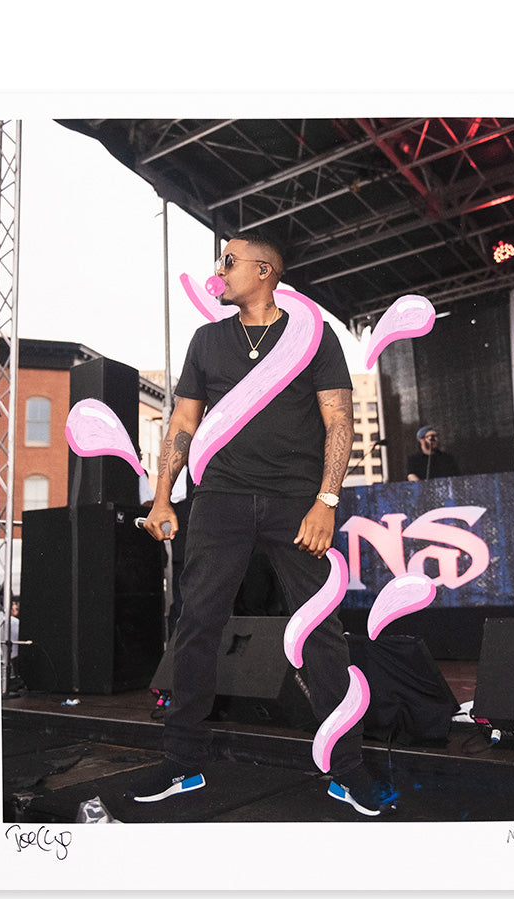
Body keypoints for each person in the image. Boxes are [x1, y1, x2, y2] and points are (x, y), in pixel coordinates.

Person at [134, 231, 384, 815]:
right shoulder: (208, 339)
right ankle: (182, 761)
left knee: (320, 629)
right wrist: (162, 498)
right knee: (197, 624)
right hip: (219, 499)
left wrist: (326, 501)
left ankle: (348, 767)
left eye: (228, 261)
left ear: (265, 270)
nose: (218, 271)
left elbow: (339, 420)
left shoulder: (313, 336)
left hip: (296, 504)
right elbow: (183, 424)